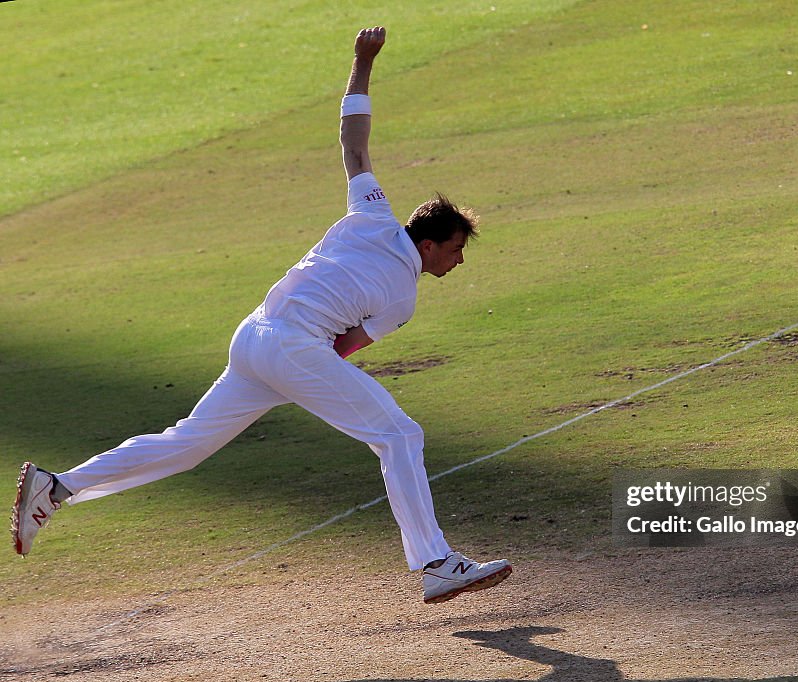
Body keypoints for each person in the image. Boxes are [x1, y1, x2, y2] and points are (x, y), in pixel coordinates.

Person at [10, 26, 511, 605]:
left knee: (188, 444)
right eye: (455, 250)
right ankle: (434, 563)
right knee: (399, 434)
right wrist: (307, 382)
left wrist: (361, 61)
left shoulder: (372, 213)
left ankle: (60, 486)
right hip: (293, 350)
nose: (459, 260)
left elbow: (353, 143)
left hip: (252, 338)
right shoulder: (403, 297)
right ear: (428, 246)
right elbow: (342, 349)